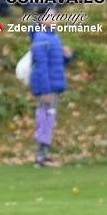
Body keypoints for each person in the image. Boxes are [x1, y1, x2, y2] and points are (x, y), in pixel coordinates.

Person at [29, 9, 73, 168]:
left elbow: (56, 63)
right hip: (47, 88)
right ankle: (41, 157)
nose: (54, 19)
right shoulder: (41, 38)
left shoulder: (53, 37)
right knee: (44, 119)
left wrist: (67, 56)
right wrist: (45, 91)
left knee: (48, 118)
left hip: (54, 85)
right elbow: (41, 67)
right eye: (50, 16)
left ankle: (44, 155)